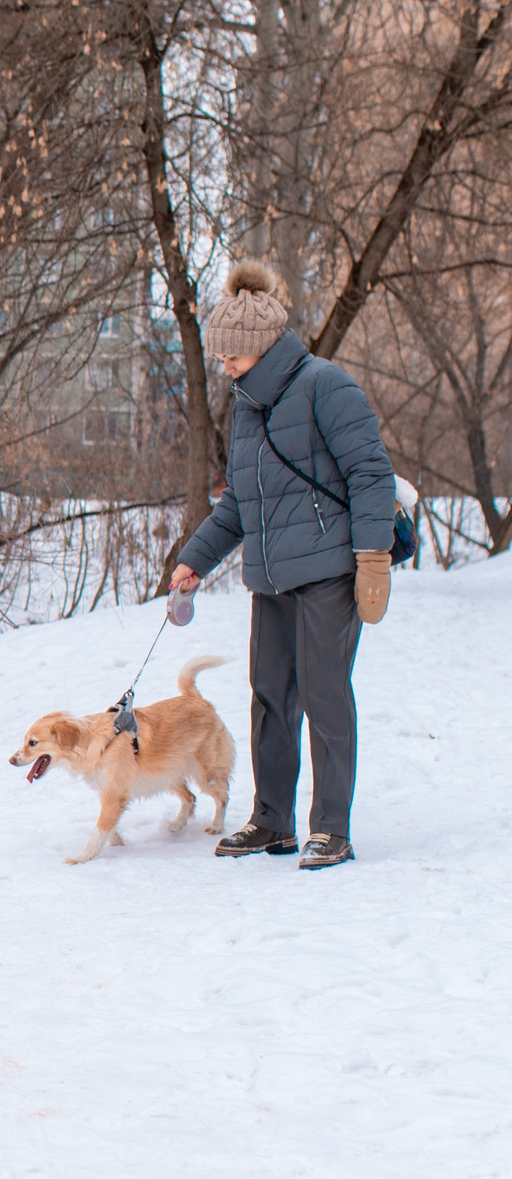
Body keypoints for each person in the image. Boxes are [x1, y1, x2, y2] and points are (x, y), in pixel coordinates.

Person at [168, 261, 395, 871]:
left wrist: (373, 560)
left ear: (261, 350)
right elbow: (241, 502)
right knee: (270, 697)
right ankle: (272, 821)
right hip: (271, 578)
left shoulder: (328, 386)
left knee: (324, 697)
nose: (224, 368)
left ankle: (331, 830)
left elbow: (371, 476)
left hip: (328, 573)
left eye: (231, 358)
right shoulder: (250, 407)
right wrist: (194, 559)